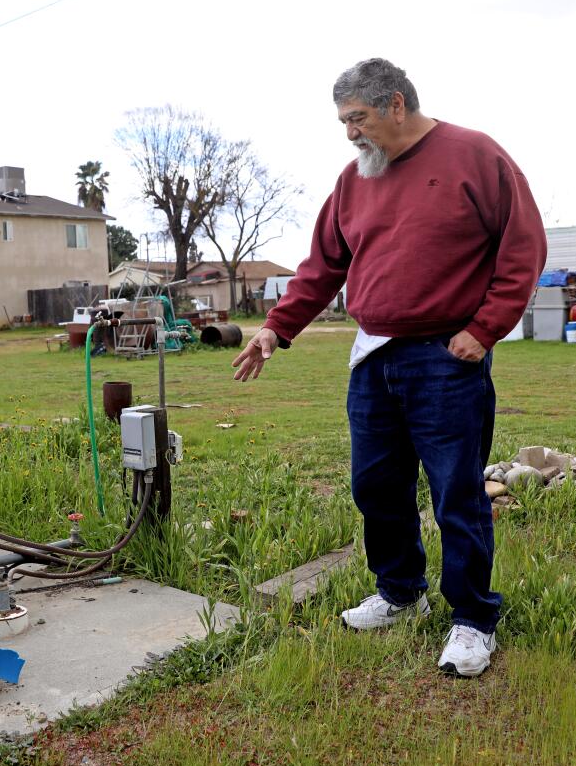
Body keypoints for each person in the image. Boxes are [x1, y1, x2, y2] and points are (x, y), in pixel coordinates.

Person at [232, 59, 546, 677]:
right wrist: (276, 327)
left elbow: (523, 248)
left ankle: (473, 620)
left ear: (396, 105)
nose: (350, 133)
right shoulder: (354, 181)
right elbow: (323, 264)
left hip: (444, 360)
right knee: (375, 486)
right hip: (372, 356)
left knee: (456, 491)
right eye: (344, 121)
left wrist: (483, 331)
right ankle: (402, 593)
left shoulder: (476, 158)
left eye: (359, 119)